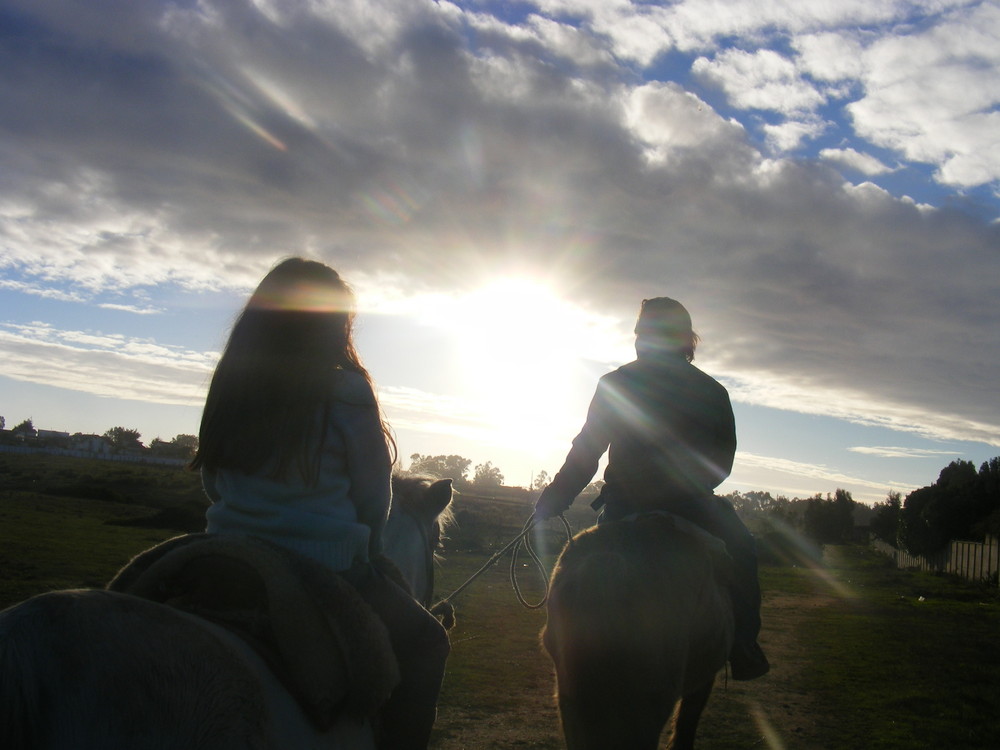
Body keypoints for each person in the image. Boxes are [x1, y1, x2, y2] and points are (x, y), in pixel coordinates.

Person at [190, 257, 449, 748]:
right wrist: (370, 550)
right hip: (322, 565)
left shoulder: (234, 384)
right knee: (426, 643)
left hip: (223, 549)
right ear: (334, 323)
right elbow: (374, 494)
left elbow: (213, 480)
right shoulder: (346, 390)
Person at [533, 296, 770, 680]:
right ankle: (744, 646)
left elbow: (587, 449)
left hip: (626, 505)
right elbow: (721, 461)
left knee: (581, 564)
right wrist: (684, 487)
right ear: (685, 339)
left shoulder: (617, 382)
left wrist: (555, 498)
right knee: (741, 549)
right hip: (692, 505)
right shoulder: (710, 391)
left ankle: (564, 640)